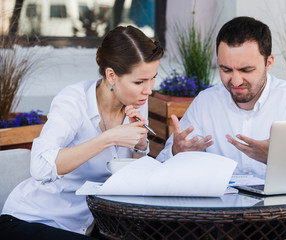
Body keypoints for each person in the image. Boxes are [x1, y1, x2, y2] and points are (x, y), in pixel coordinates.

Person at [0, 25, 164, 239]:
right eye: (140, 81)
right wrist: (109, 138)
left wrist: (140, 144)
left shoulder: (135, 99)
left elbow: (128, 174)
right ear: (112, 75)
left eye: (153, 78)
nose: (149, 89)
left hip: (90, 225)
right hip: (33, 220)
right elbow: (40, 166)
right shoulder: (73, 101)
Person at [156, 16, 286, 178]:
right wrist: (176, 153)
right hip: (218, 208)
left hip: (285, 208)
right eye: (226, 70)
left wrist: (277, 159)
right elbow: (162, 165)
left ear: (269, 63)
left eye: (246, 70)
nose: (236, 82)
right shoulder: (205, 102)